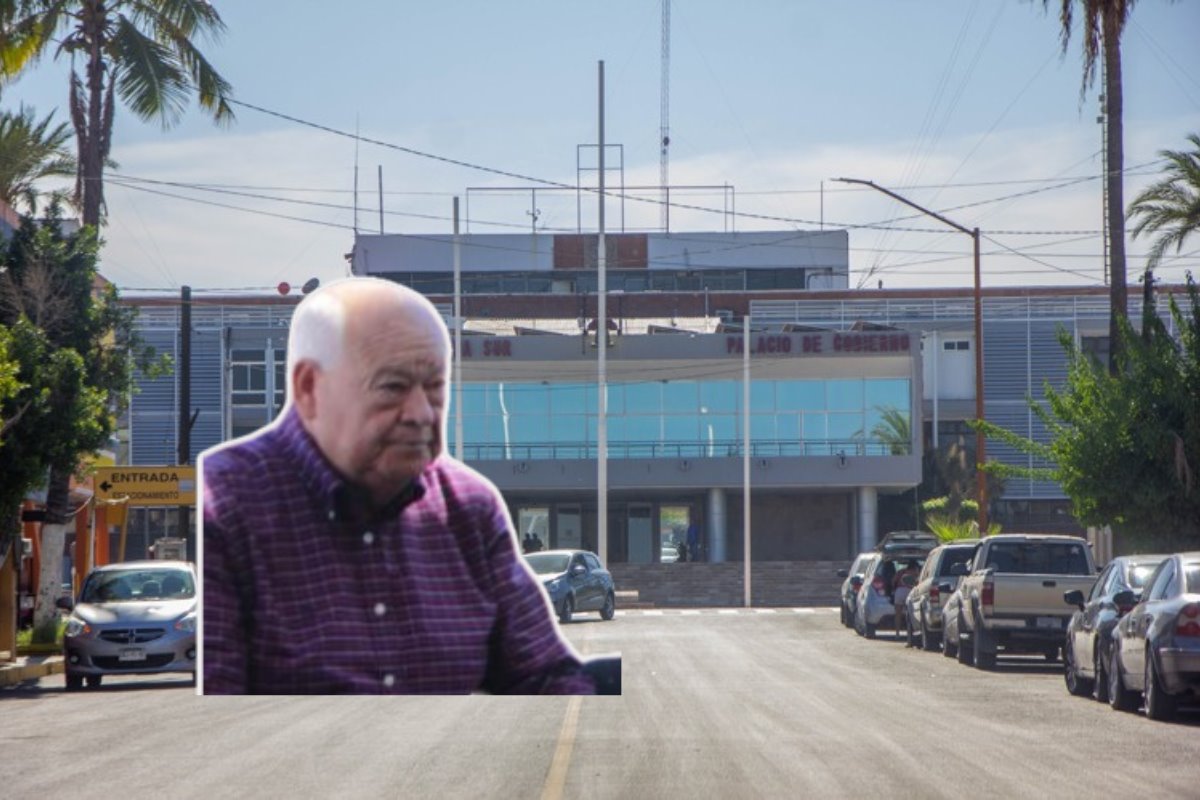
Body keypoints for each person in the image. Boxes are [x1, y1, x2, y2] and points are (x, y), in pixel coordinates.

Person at [201, 278, 596, 694]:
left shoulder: (469, 508)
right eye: (392, 387)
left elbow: (546, 673)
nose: (421, 413)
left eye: (435, 389)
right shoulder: (229, 504)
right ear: (309, 388)